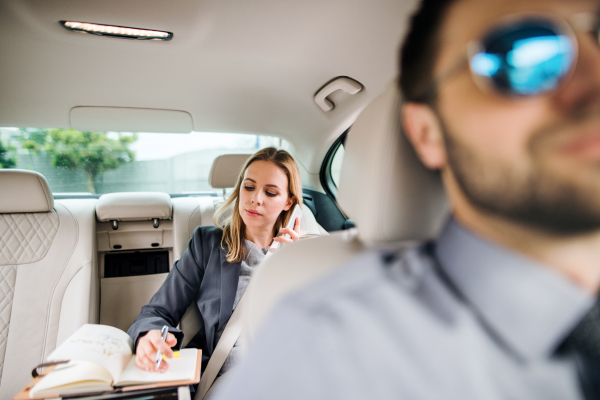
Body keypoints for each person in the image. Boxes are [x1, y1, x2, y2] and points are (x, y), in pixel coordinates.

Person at [212, 0, 600, 399]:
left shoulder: (304, 252)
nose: (594, 79)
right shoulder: (329, 348)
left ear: (290, 201)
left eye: (599, 34)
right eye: (516, 54)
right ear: (427, 132)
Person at [127, 147, 303, 379]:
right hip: (230, 376)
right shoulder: (207, 244)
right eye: (248, 187)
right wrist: (151, 336)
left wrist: (296, 269)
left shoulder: (302, 257)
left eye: (270, 192)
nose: (255, 199)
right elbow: (157, 311)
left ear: (289, 202)